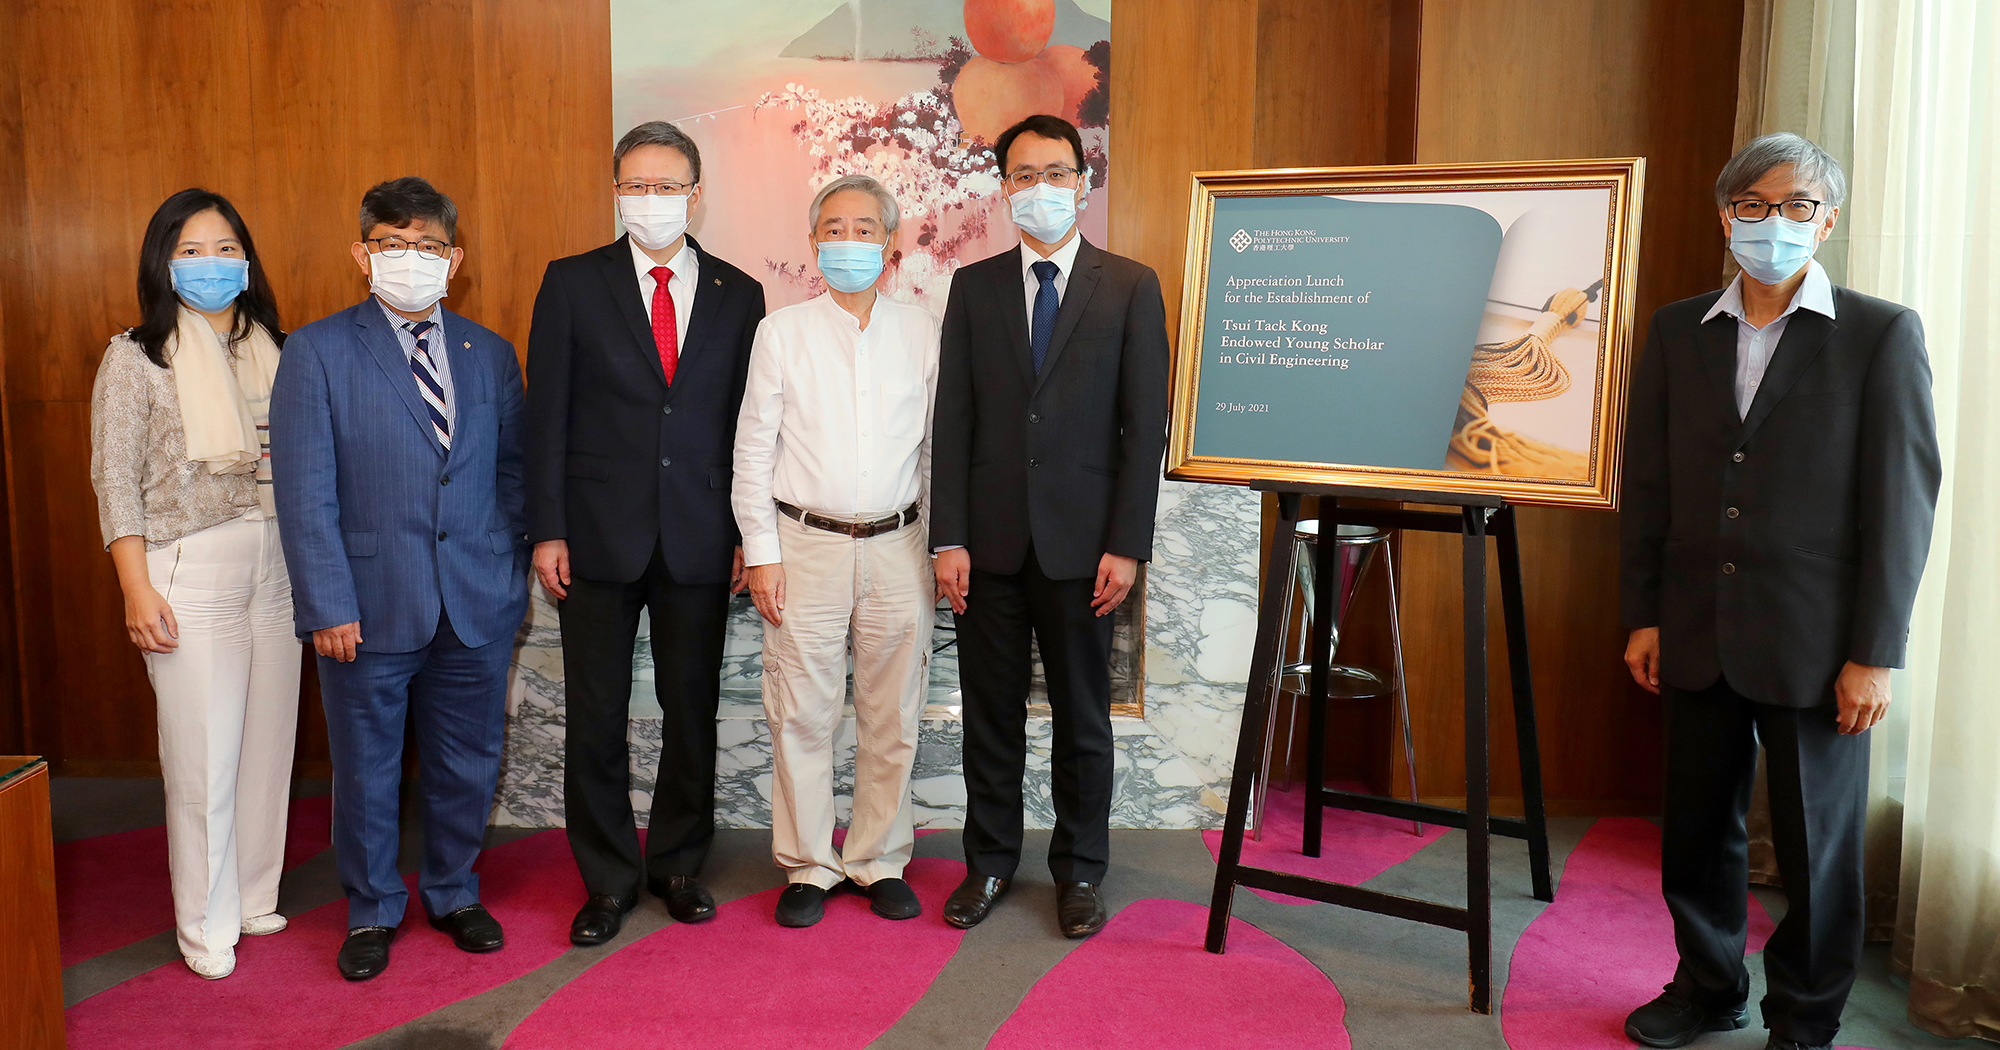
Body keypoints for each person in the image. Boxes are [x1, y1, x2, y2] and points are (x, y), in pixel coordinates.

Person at [1619, 132, 1941, 1050]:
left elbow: (1903, 504)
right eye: (1754, 205)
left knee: (1817, 849)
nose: (1775, 223)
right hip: (1694, 626)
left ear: (1827, 221)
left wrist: (1875, 653)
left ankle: (1804, 1017)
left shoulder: (1881, 333)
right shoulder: (1677, 329)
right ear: (1727, 217)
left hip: (1818, 641)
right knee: (1695, 832)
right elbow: (1650, 483)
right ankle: (1707, 985)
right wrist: (1643, 614)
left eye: (1797, 205)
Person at [271, 176, 529, 981]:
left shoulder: (489, 353)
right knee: (367, 768)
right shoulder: (316, 351)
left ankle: (453, 892)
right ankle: (373, 907)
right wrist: (326, 603)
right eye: (393, 244)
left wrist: (506, 570)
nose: (410, 259)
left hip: (475, 601)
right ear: (363, 254)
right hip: (366, 604)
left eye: (428, 246)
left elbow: (512, 474)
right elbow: (304, 491)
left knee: (468, 761)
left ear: (455, 259)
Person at [525, 121, 766, 947]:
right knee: (595, 714)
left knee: (690, 708)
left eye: (667, 186)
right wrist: (547, 529)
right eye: (636, 185)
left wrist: (748, 531)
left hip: (702, 532)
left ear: (696, 195)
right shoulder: (571, 282)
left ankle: (677, 865)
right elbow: (546, 415)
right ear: (616, 191)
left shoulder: (739, 292)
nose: (651, 199)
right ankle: (606, 880)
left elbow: (746, 425)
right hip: (594, 536)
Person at [930, 114, 1171, 939]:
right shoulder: (974, 287)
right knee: (990, 717)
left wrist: (1127, 545)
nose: (1042, 188)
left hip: (1085, 550)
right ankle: (990, 863)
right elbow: (954, 419)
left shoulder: (1130, 285)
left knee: (1083, 720)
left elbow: (1143, 426)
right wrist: (949, 537)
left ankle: (1080, 872)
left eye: (1057, 172)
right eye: (1025, 174)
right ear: (1005, 188)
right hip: (988, 548)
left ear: (1083, 181)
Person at [89, 188, 297, 981]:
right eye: (191, 250)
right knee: (203, 755)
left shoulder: (277, 347)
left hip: (277, 560)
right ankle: (206, 928)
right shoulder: (135, 355)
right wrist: (135, 588)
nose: (212, 263)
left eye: (225, 249)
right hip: (188, 564)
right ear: (163, 262)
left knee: (268, 744)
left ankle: (253, 895)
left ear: (247, 260)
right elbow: (115, 480)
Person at [733, 174, 940, 928]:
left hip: (900, 544)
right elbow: (753, 451)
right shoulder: (780, 333)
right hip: (804, 545)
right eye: (833, 229)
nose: (847, 241)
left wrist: (940, 543)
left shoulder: (922, 331)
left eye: (864, 229)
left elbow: (934, 451)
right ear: (813, 242)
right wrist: (761, 551)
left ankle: (879, 858)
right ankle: (809, 865)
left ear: (890, 246)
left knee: (895, 713)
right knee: (800, 711)